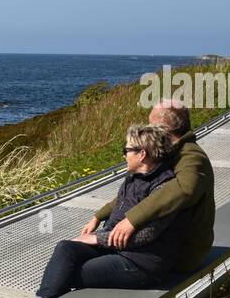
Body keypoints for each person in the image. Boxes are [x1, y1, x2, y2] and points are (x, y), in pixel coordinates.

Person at [27, 124, 188, 298]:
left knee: (67, 273)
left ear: (141, 154)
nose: (124, 154)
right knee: (65, 249)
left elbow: (144, 236)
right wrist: (97, 219)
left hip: (141, 262)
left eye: (126, 150)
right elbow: (118, 202)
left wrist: (96, 238)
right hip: (115, 247)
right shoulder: (133, 177)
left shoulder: (164, 187)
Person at [83, 99, 215, 276]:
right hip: (161, 243)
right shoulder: (172, 152)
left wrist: (131, 220)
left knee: (87, 265)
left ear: (163, 127)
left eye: (150, 124)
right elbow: (135, 192)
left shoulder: (191, 156)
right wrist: (99, 215)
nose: (147, 129)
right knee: (82, 254)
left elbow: (183, 190)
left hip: (181, 252)